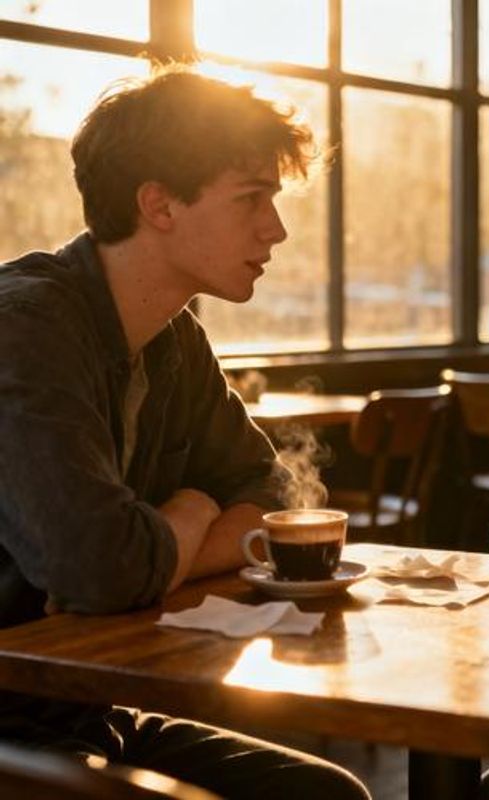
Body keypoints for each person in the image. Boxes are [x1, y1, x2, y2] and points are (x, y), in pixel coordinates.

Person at [0, 65, 369, 800]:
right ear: (158, 205)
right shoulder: (24, 327)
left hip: (86, 711)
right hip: (14, 738)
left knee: (330, 794)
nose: (277, 228)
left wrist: (163, 537)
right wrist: (201, 507)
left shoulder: (175, 337)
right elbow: (99, 570)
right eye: (251, 199)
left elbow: (274, 495)